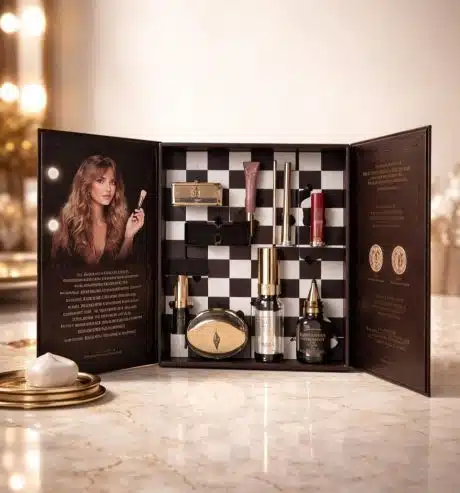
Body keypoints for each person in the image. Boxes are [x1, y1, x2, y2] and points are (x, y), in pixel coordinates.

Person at [51, 155, 145, 265]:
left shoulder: (118, 224)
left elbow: (119, 269)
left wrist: (129, 236)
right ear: (86, 184)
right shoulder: (67, 222)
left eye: (113, 182)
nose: (108, 189)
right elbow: (57, 267)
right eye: (101, 181)